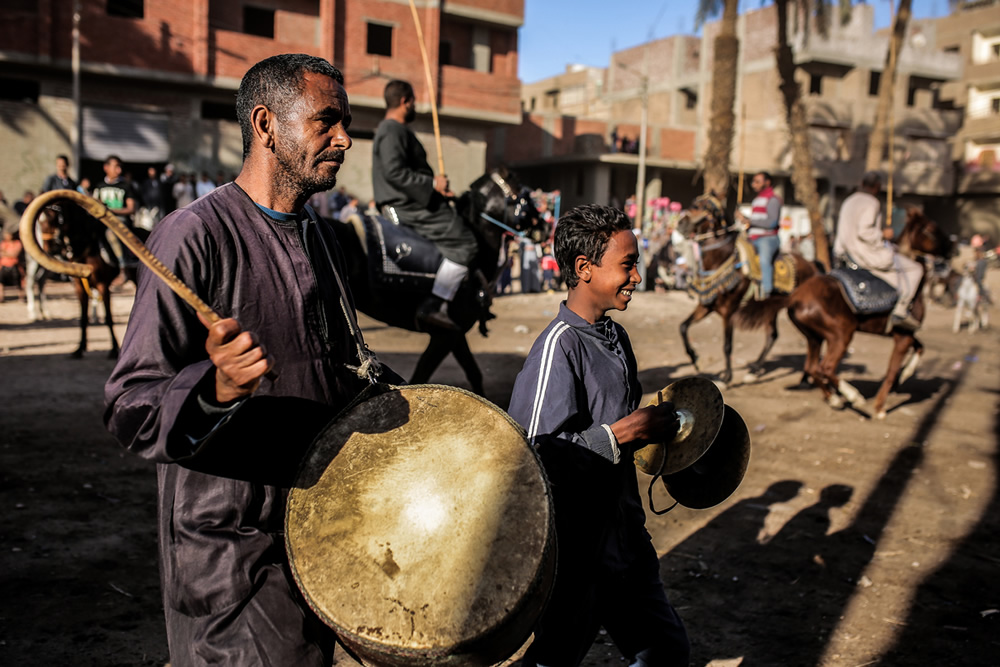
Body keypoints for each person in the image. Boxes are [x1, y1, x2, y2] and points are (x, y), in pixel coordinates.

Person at [104, 53, 398, 666]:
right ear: (265, 125)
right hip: (230, 551)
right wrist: (214, 389)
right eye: (327, 121)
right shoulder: (192, 236)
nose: (345, 139)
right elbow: (130, 404)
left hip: (319, 533)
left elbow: (343, 367)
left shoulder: (322, 237)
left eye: (345, 123)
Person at [507, 204, 690, 667]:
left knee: (666, 652)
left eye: (636, 264)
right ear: (584, 269)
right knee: (554, 658)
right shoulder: (557, 348)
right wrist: (621, 433)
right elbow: (528, 460)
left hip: (624, 532)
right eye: (627, 265)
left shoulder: (615, 338)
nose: (637, 277)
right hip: (576, 548)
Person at [372, 79, 478, 331]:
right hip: (407, 206)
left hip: (414, 201)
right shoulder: (392, 130)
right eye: (414, 101)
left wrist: (440, 193)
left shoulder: (392, 130)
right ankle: (434, 304)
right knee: (466, 242)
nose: (415, 106)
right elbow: (394, 172)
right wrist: (432, 184)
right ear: (405, 101)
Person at [833, 171, 924, 331]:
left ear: (862, 183)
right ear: (877, 187)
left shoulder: (849, 200)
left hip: (843, 252)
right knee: (916, 269)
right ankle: (900, 311)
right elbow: (864, 231)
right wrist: (883, 234)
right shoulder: (871, 202)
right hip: (863, 254)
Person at [91, 155, 140, 277]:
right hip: (102, 221)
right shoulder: (99, 186)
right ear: (106, 167)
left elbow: (131, 209)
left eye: (120, 167)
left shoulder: (126, 186)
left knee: (111, 233)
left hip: (120, 221)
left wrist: (110, 210)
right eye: (116, 167)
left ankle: (123, 268)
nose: (119, 170)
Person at [737, 171, 782, 299]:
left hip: (767, 238)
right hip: (752, 238)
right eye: (753, 181)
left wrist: (749, 220)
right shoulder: (756, 200)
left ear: (767, 182)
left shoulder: (773, 199)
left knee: (764, 260)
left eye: (757, 181)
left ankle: (767, 292)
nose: (753, 184)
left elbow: (772, 222)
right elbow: (755, 221)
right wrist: (744, 220)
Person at [137, 166, 163, 232]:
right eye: (150, 171)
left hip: (157, 206)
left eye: (153, 171)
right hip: (148, 207)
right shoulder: (145, 183)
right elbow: (143, 194)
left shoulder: (159, 182)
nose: (152, 173)